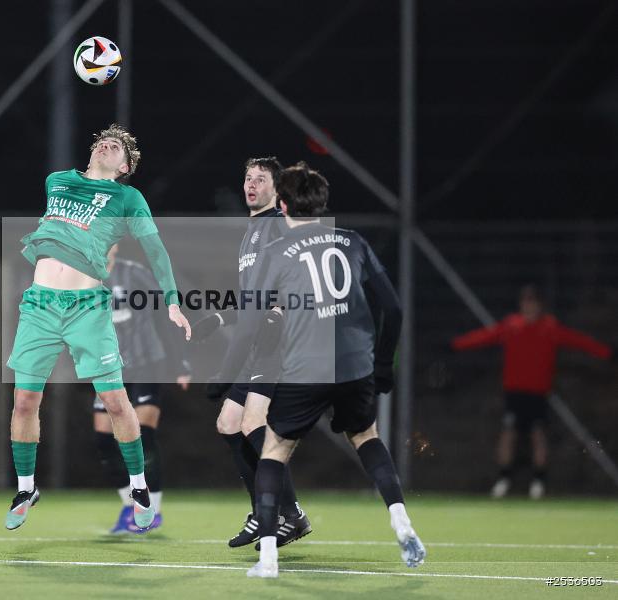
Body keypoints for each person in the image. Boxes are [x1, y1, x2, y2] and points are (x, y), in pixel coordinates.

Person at [239, 162, 425, 578]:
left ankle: (268, 557)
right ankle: (401, 520)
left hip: (305, 366)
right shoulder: (353, 241)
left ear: (282, 205)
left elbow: (254, 317)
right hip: (356, 366)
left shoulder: (274, 250)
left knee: (275, 450)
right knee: (366, 437)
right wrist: (382, 364)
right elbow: (392, 308)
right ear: (323, 203)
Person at [5, 124, 191, 532]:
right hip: (40, 304)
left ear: (124, 166)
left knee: (115, 400)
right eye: (104, 142)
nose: (109, 145)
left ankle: (139, 488)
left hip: (87, 307)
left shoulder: (128, 198)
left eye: (119, 147)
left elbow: (156, 251)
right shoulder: (58, 181)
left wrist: (173, 302)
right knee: (23, 401)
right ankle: (25, 487)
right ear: (94, 151)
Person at [191, 157, 311, 549]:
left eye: (261, 179)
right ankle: (265, 513)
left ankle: (288, 514)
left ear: (277, 190)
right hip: (258, 342)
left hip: (280, 343)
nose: (251, 184)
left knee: (252, 424)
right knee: (228, 423)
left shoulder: (277, 225)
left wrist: (283, 312)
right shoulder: (252, 231)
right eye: (247, 178)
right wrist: (220, 318)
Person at [451, 285, 612, 499]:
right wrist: (456, 345)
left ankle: (539, 482)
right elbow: (484, 336)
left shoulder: (550, 328)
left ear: (540, 305)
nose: (529, 306)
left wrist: (606, 353)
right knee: (509, 435)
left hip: (538, 393)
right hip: (514, 393)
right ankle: (504, 479)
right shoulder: (511, 325)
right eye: (526, 302)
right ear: (522, 304)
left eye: (533, 302)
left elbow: (578, 340)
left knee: (538, 436)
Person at [93, 244, 191, 534]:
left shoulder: (133, 274)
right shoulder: (83, 279)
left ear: (116, 244)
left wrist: (180, 363)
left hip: (147, 363)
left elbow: (166, 314)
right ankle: (130, 505)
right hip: (110, 369)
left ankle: (153, 511)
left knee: (143, 436)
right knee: (104, 441)